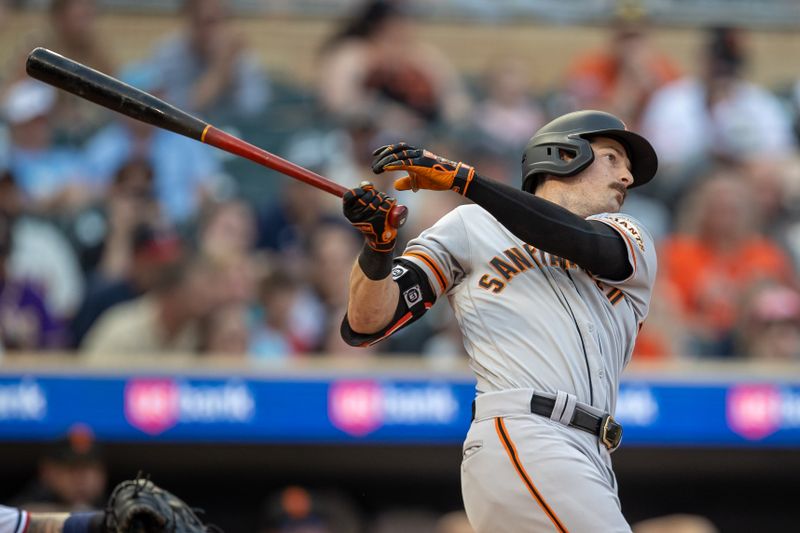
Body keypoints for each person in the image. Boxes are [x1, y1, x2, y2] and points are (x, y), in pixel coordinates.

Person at [341, 110, 659, 532]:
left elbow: (582, 242)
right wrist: (378, 251)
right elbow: (368, 323)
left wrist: (465, 181)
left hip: (593, 454)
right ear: (565, 154)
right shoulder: (471, 226)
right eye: (613, 158)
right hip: (526, 434)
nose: (627, 179)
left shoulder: (627, 234)